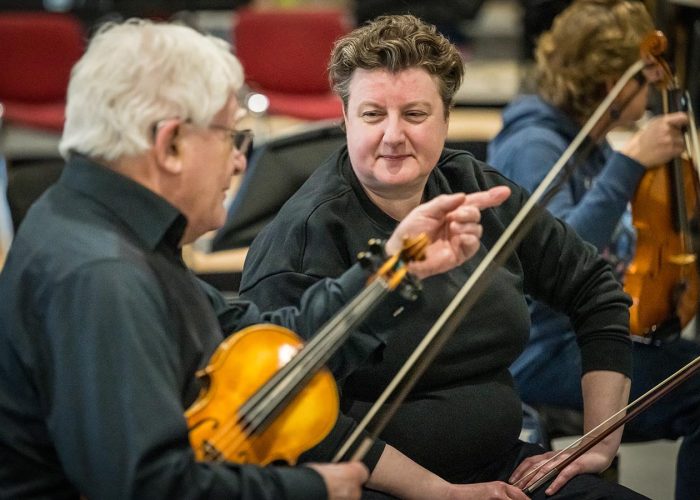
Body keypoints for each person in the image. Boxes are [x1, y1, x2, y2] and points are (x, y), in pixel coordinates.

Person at [0, 19, 515, 500]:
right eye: (230, 136)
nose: (240, 160)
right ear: (172, 144)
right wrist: (314, 487)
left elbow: (263, 342)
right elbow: (149, 486)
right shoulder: (102, 276)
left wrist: (396, 270)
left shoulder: (96, 222)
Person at [241, 14, 646, 499]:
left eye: (415, 114)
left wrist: (596, 443)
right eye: (373, 115)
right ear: (344, 118)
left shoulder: (477, 187)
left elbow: (595, 288)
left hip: (504, 468)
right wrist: (438, 491)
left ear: (446, 119)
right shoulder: (302, 237)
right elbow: (284, 415)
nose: (394, 135)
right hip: (373, 487)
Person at [486, 1, 700, 499]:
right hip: (538, 350)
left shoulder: (590, 144)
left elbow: (617, 240)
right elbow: (555, 267)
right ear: (612, 83)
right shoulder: (534, 146)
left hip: (586, 334)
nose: (649, 97)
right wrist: (627, 167)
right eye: (643, 83)